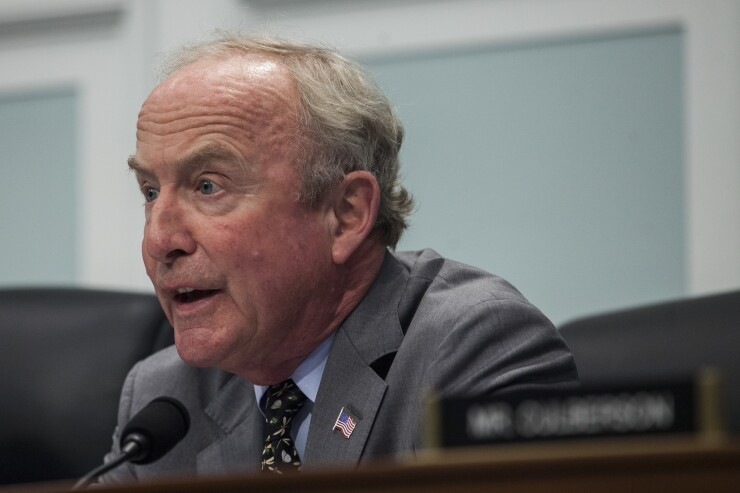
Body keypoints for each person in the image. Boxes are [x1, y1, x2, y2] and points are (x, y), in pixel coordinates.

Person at [100, 33, 578, 483]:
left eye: (208, 186)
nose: (159, 240)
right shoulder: (164, 396)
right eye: (150, 191)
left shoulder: (473, 350)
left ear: (346, 215)